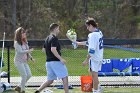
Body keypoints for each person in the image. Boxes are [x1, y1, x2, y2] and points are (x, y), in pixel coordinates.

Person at [34, 23, 69, 93]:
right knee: (65, 77)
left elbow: (43, 50)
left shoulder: (47, 38)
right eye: (58, 29)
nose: (59, 31)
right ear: (55, 29)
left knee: (50, 80)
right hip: (56, 62)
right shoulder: (54, 38)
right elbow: (53, 49)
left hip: (48, 63)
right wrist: (61, 59)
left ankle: (37, 91)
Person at [76, 18, 103, 93]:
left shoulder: (92, 35)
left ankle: (96, 90)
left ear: (91, 25)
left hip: (94, 58)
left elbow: (91, 50)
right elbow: (89, 42)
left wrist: (86, 60)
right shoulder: (99, 32)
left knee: (94, 75)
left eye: (88, 26)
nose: (87, 28)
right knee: (91, 71)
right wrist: (78, 43)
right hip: (99, 56)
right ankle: (98, 87)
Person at [14, 27, 35, 93]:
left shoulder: (25, 42)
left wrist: (31, 58)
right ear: (19, 34)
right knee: (24, 76)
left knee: (29, 75)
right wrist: (29, 50)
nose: (24, 33)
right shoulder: (16, 43)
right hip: (18, 62)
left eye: (24, 32)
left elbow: (27, 52)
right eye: (23, 32)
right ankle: (22, 90)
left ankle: (19, 86)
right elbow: (20, 51)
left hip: (24, 62)